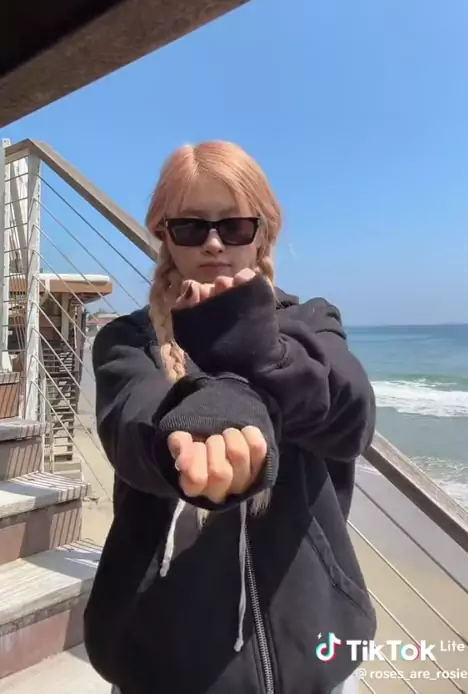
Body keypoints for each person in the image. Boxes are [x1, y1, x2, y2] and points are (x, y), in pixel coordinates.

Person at [84, 140, 377, 694]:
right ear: (164, 234)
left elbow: (352, 417)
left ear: (264, 232)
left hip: (316, 653)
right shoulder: (128, 340)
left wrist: (265, 351)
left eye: (235, 226)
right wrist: (188, 432)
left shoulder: (312, 321)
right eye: (191, 227)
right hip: (166, 664)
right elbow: (131, 428)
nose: (214, 243)